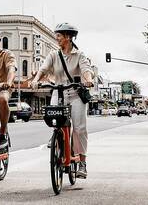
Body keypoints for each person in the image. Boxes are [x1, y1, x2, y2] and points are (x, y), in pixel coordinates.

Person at [31, 22, 94, 179]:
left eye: (59, 36)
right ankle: (57, 135)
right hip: (58, 93)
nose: (57, 38)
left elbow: (86, 71)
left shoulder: (79, 55)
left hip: (76, 95)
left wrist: (88, 80)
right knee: (54, 119)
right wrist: (36, 79)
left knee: (79, 128)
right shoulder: (53, 55)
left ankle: (82, 162)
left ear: (68, 37)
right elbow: (43, 68)